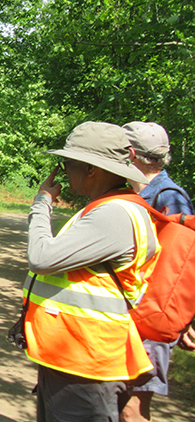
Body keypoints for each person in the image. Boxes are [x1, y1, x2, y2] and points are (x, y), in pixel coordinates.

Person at [23, 121, 160, 422]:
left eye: (68, 163)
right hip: (71, 358)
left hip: (86, 363)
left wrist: (41, 203)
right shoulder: (106, 208)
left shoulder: (114, 214)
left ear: (91, 169)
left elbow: (41, 257)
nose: (64, 170)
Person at [120, 121, 194, 422]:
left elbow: (187, 261)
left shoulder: (170, 198)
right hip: (132, 315)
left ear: (131, 154)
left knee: (132, 409)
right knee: (115, 400)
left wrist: (188, 318)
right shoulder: (135, 193)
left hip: (152, 321)